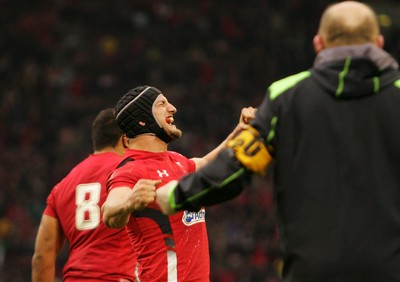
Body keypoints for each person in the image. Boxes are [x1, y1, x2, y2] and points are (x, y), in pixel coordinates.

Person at [155, 1, 400, 281]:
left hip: (312, 270)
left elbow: (236, 167)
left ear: (318, 44)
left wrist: (177, 195)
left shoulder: (287, 96)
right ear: (379, 43)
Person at [101, 85, 255, 282]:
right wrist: (130, 202)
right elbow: (109, 213)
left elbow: (208, 164)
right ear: (142, 120)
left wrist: (240, 131)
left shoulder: (177, 160)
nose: (172, 108)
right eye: (162, 104)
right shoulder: (131, 169)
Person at [32, 108, 137, 282]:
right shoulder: (132, 172)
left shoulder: (62, 186)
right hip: (117, 276)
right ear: (125, 140)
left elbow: (42, 257)